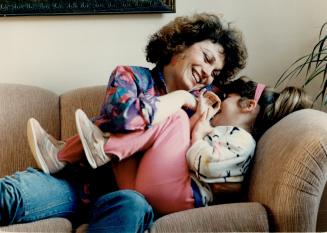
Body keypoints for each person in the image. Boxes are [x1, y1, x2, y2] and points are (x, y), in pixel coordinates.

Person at [0, 13, 248, 232]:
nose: (207, 73)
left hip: (128, 199)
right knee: (9, 196)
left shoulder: (206, 108)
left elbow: (220, 151)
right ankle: (63, 155)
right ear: (179, 46)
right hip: (78, 183)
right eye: (206, 57)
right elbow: (122, 118)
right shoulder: (131, 77)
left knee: (131, 205)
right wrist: (179, 98)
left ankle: (65, 150)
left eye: (215, 72)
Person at [28, 76, 312, 215]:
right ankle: (62, 154)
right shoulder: (220, 130)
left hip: (181, 195)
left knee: (173, 115)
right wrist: (200, 119)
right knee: (139, 127)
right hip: (144, 192)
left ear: (249, 105)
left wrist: (198, 128)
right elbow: (174, 146)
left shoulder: (242, 139)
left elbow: (203, 163)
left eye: (226, 96)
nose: (221, 100)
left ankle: (98, 148)